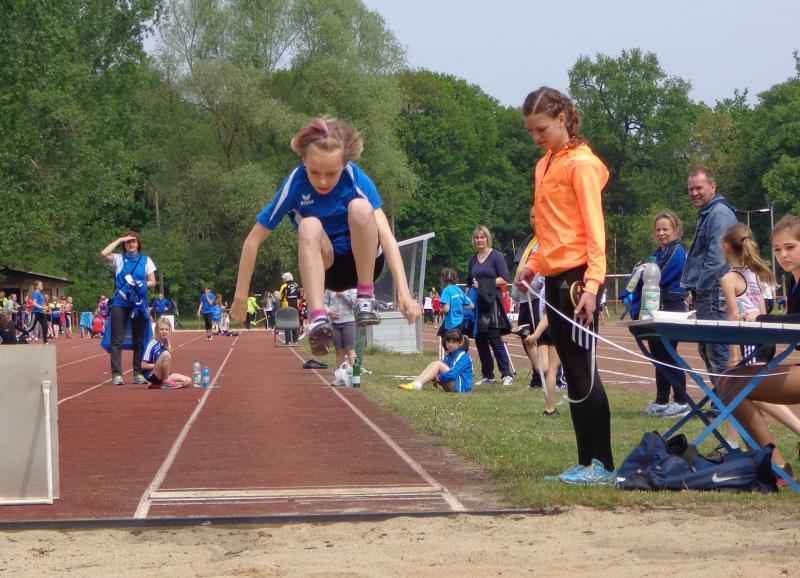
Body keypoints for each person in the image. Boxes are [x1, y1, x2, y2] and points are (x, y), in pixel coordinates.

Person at [230, 117, 420, 355]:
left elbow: (387, 236)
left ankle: (365, 296)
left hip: (365, 263)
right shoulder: (295, 185)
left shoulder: (355, 178)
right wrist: (240, 296)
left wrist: (404, 292)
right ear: (303, 161)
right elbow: (253, 240)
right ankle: (318, 318)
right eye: (314, 172)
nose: (322, 181)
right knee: (309, 225)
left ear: (344, 163)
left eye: (331, 173)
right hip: (327, 268)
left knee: (360, 208)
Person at [515, 87, 614, 485]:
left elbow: (594, 230)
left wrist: (592, 285)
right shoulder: (544, 165)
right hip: (553, 278)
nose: (536, 137)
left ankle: (603, 464)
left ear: (562, 120)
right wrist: (533, 265)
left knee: (584, 370)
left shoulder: (582, 165)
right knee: (570, 372)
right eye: (530, 131)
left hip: (578, 278)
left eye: (541, 129)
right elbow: (550, 228)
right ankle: (584, 460)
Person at [718, 215, 800, 487]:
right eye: (777, 249)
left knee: (733, 385)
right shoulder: (793, 281)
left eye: (790, 247)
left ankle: (777, 468)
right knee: (728, 382)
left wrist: (760, 319)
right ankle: (777, 467)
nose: (783, 255)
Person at [680, 167, 738, 380]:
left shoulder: (719, 214)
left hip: (713, 292)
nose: (694, 193)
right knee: (708, 351)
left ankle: (728, 398)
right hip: (707, 292)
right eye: (691, 189)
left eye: (699, 188)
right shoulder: (708, 214)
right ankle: (721, 397)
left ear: (713, 187)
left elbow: (717, 258)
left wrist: (701, 287)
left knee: (718, 353)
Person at [632, 212, 690, 418]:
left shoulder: (677, 251)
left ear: (676, 230)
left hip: (671, 307)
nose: (661, 233)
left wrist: (642, 275)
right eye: (658, 229)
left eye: (665, 229)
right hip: (655, 306)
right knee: (658, 355)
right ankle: (661, 401)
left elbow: (658, 276)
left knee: (668, 355)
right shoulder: (658, 253)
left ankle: (681, 401)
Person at [100, 232, 156, 385]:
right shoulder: (119, 259)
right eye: (128, 242)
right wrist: (120, 239)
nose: (131, 244)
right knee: (116, 340)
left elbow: (153, 282)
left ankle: (138, 373)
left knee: (139, 339)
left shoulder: (146, 260)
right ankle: (117, 374)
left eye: (133, 241)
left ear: (138, 244)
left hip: (139, 303)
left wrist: (141, 284)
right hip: (120, 303)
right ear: (124, 245)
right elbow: (104, 253)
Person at [468, 225, 513, 386]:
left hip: (491, 302)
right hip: (477, 302)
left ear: (488, 239)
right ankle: (488, 374)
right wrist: (466, 300)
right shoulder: (473, 259)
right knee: (479, 338)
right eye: (477, 237)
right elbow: (469, 281)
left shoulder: (496, 256)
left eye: (482, 237)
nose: (479, 240)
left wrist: (484, 284)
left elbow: (505, 278)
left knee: (494, 337)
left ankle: (506, 374)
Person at [523, 281, 561, 416]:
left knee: (544, 368)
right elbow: (548, 313)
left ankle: (531, 347)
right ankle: (550, 408)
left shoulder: (545, 288)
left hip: (543, 328)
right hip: (555, 328)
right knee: (552, 370)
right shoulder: (556, 286)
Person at [398, 328, 473, 393]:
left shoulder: (463, 356)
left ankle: (418, 385)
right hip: (453, 385)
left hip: (461, 388)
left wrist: (439, 377)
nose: (450, 344)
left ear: (460, 343)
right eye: (448, 341)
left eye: (453, 342)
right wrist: (435, 377)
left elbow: (453, 374)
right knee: (433, 364)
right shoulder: (449, 355)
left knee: (438, 364)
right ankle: (415, 383)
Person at [141, 317, 192, 389]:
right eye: (161, 329)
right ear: (157, 330)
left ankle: (158, 385)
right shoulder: (152, 344)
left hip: (164, 374)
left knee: (188, 381)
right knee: (166, 354)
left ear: (169, 331)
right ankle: (165, 381)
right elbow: (143, 365)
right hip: (152, 375)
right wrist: (160, 366)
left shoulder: (166, 343)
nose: (164, 331)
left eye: (166, 329)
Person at [324, 289, 357, 386]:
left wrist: (343, 294)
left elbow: (355, 304)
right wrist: (329, 312)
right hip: (334, 323)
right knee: (339, 351)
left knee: (350, 350)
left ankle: (355, 378)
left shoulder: (351, 287)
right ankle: (340, 378)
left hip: (348, 321)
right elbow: (324, 303)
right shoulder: (330, 288)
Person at [437, 268, 473, 347]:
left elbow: (446, 309)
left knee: (449, 345)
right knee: (456, 343)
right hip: (460, 322)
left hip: (451, 323)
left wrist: (441, 311)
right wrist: (460, 306)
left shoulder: (446, 290)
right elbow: (471, 306)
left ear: (443, 279)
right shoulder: (459, 290)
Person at [278, 272, 300, 342]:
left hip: (286, 305)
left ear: (286, 278)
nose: (283, 280)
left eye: (283, 278)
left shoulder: (284, 286)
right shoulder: (296, 285)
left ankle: (288, 340)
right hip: (295, 305)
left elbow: (280, 297)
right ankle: (295, 340)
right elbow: (299, 296)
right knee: (294, 322)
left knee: (286, 322)